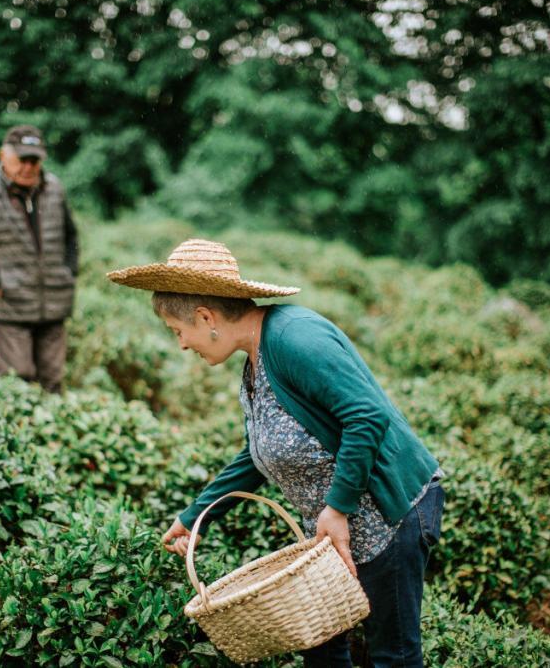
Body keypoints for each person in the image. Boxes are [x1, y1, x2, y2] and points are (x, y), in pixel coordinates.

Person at [107, 238, 445, 667]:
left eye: (179, 331)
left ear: (206, 317)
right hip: (334, 529)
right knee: (320, 646)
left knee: (392, 656)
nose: (182, 345)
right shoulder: (255, 358)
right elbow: (258, 453)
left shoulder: (292, 339)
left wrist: (337, 508)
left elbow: (367, 416)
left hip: (387, 514)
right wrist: (196, 517)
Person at [0, 125, 78, 393]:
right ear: (3, 156)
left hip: (54, 302)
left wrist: (69, 272)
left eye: (35, 160)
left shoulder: (55, 188)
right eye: (23, 159)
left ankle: (50, 433)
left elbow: (71, 236)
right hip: (10, 304)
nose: (29, 166)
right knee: (16, 381)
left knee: (53, 382)